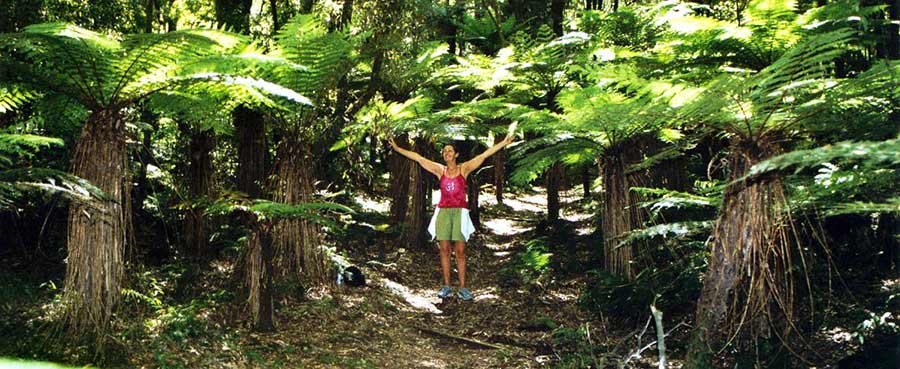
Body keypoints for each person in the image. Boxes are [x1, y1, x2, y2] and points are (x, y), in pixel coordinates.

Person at [389, 131, 514, 301]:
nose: (446, 153)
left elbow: (484, 154)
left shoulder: (465, 168)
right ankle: (446, 286)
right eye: (444, 151)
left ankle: (463, 287)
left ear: (456, 154)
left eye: (449, 151)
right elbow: (418, 158)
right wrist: (397, 148)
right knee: (444, 249)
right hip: (443, 213)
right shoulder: (440, 170)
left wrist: (504, 142)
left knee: (460, 251)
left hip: (460, 213)